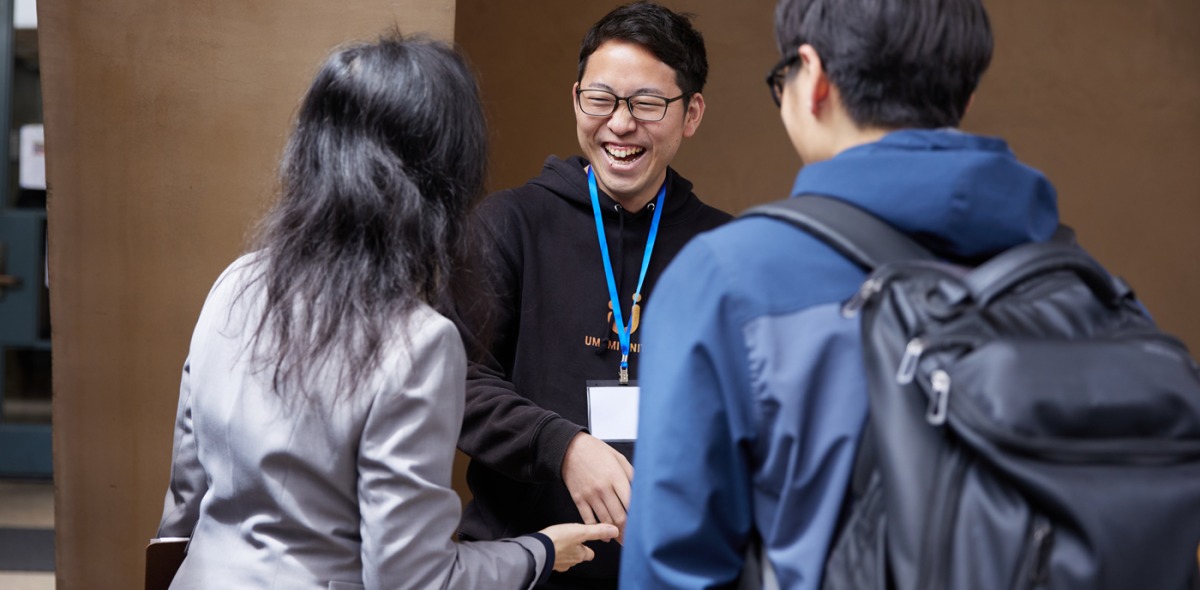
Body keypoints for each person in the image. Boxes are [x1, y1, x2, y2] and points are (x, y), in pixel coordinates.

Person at [620, 0, 1059, 588]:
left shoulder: (726, 280)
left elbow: (674, 569)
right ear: (965, 99)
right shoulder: (1070, 277)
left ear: (814, 78)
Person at [155, 34, 617, 590]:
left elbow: (185, 500)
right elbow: (412, 579)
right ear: (441, 174)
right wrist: (538, 552)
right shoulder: (418, 343)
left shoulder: (235, 282)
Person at [451, 2, 731, 588]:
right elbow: (455, 384)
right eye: (600, 99)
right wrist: (564, 448)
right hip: (523, 566)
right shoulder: (509, 224)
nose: (620, 125)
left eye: (647, 104)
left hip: (674, 573)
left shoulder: (724, 250)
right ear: (576, 96)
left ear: (692, 113)